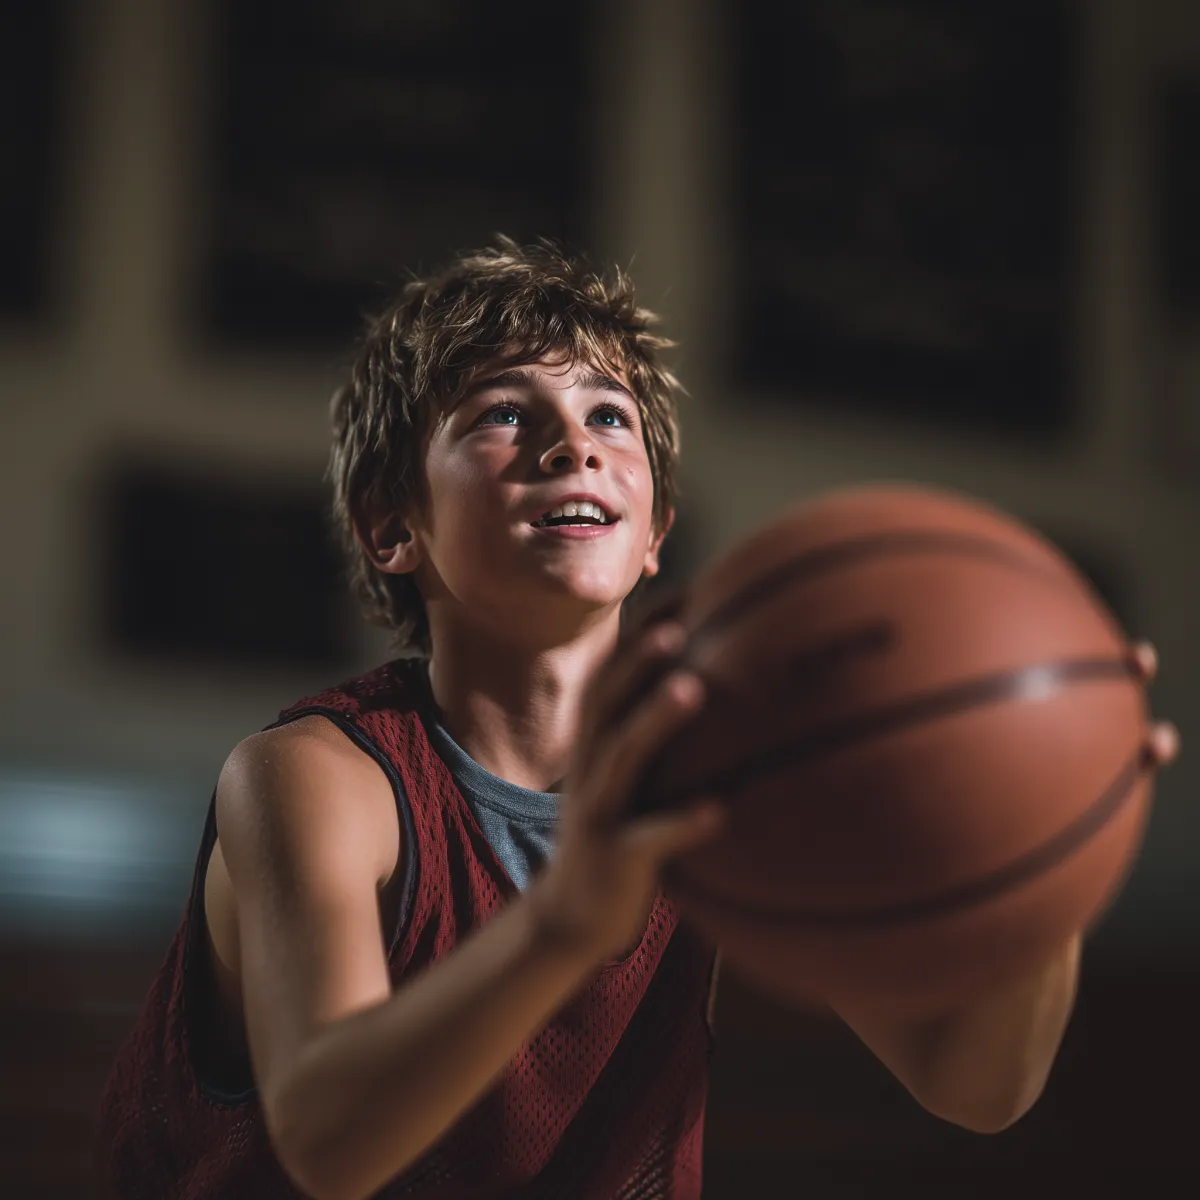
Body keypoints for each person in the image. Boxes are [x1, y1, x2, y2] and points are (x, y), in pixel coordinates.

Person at [96, 238, 1179, 1200]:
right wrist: (568, 923)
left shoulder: (715, 774)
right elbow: (327, 1144)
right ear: (392, 528)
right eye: (503, 414)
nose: (572, 445)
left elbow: (977, 1087)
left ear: (655, 529)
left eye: (608, 416)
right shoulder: (314, 778)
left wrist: (1049, 831)